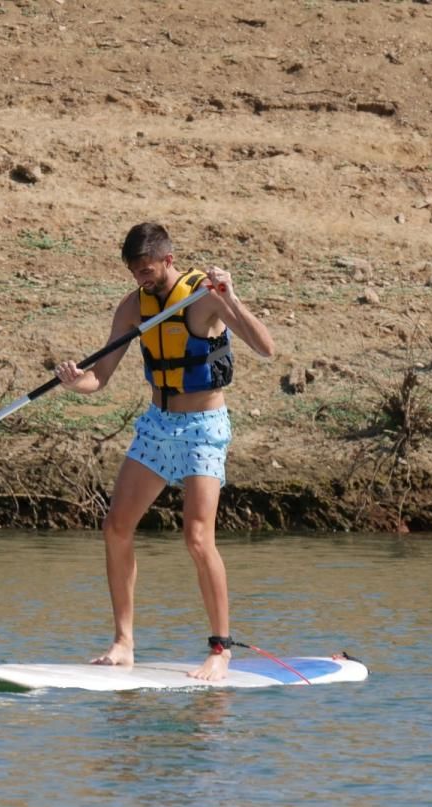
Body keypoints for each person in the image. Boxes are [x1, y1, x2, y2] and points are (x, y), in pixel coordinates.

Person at [53, 222, 275, 681]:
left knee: (196, 537)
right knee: (116, 527)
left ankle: (220, 649)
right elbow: (100, 378)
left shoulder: (204, 296)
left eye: (148, 270)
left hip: (203, 429)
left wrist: (231, 297)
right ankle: (123, 643)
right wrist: (77, 382)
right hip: (157, 425)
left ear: (168, 260)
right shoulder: (133, 308)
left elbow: (266, 347)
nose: (141, 279)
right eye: (135, 272)